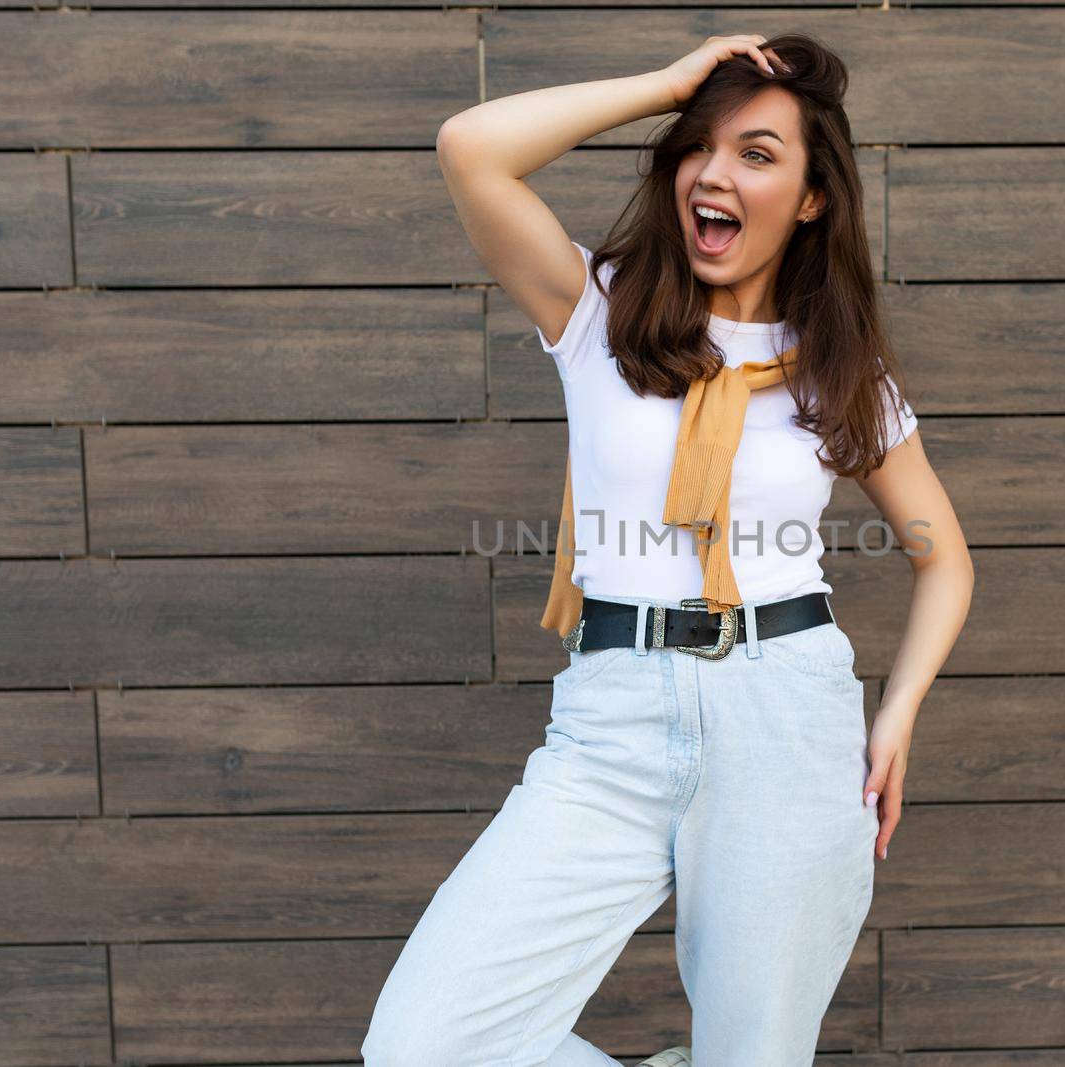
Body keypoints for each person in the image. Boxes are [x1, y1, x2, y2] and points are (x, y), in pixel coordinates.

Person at [362, 31, 973, 1067]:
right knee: (427, 1043)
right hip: (611, 724)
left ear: (813, 198)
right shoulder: (594, 311)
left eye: (757, 154)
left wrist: (897, 711)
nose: (714, 172)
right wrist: (666, 84)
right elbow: (471, 146)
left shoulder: (839, 373)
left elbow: (944, 556)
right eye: (700, 145)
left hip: (788, 719)